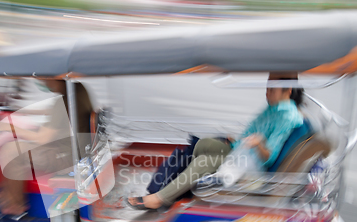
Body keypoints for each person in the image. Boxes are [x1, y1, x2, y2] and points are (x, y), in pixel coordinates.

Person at [127, 72, 304, 210]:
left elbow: (269, 158)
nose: (266, 92)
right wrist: (237, 141)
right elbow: (252, 132)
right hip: (240, 150)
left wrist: (258, 143)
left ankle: (160, 198)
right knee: (203, 144)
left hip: (248, 165)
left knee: (204, 161)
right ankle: (181, 185)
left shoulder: (287, 117)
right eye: (267, 87)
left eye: (271, 88)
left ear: (287, 90)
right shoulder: (273, 109)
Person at [0, 80, 93, 217]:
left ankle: (14, 205)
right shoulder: (77, 91)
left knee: (11, 151)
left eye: (44, 78)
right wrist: (23, 111)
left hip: (66, 156)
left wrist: (8, 127)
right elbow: (54, 113)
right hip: (75, 150)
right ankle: (5, 196)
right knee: (15, 147)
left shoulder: (63, 102)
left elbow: (43, 138)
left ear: (57, 78)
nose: (44, 82)